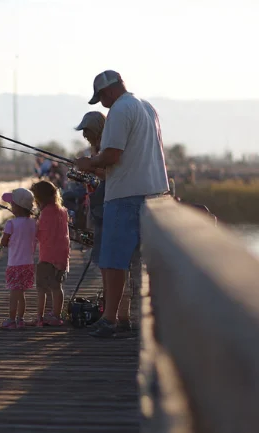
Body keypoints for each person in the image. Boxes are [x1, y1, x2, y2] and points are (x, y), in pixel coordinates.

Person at [75, 70, 169, 338]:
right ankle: (141, 320)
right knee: (142, 262)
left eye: (102, 97)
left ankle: (110, 319)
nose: (102, 103)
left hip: (125, 195)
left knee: (113, 261)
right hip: (154, 192)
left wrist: (87, 163)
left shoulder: (119, 109)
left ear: (110, 91)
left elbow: (113, 154)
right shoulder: (147, 108)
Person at [27, 180, 70, 327]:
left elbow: (39, 235)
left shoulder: (45, 213)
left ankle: (40, 317)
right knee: (57, 287)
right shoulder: (63, 211)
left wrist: (34, 222)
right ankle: (56, 316)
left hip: (47, 257)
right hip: (62, 256)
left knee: (41, 289)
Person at [0, 187, 37, 330]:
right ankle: (20, 319)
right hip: (28, 265)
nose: (10, 206)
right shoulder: (33, 223)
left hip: (14, 264)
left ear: (18, 207)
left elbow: (4, 242)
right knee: (21, 293)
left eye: (12, 204)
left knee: (14, 294)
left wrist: (4, 242)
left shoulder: (11, 223)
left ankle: (11, 319)